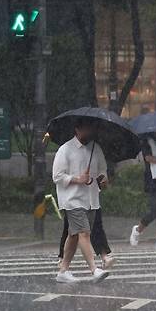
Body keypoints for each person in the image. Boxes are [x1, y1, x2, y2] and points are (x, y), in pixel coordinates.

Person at [52, 117, 110, 283]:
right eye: (86, 128)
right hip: (72, 200)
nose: (89, 132)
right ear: (77, 130)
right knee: (84, 233)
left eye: (91, 128)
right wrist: (78, 179)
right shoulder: (65, 149)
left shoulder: (95, 148)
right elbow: (57, 176)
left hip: (91, 198)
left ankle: (63, 270)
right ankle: (94, 269)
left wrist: (103, 179)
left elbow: (103, 170)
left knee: (74, 235)